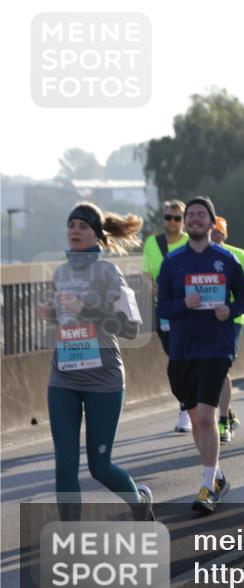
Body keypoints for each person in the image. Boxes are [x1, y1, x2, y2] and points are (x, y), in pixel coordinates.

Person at [40, 202, 154, 522]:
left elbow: (131, 327)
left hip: (103, 378)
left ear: (96, 235)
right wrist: (51, 315)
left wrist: (86, 309)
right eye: (71, 224)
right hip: (63, 375)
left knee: (99, 467)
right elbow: (66, 318)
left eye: (82, 226)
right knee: (64, 463)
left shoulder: (109, 272)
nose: (74, 230)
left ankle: (138, 501)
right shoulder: (60, 273)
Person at [157, 196, 244, 514]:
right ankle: (218, 475)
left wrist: (231, 308)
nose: (195, 219)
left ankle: (207, 488)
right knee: (198, 419)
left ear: (211, 223)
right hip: (182, 351)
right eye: (190, 215)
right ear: (185, 223)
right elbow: (162, 308)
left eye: (201, 214)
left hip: (216, 348)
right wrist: (184, 304)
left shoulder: (226, 260)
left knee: (207, 417)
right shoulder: (173, 262)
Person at [209, 216, 244, 443]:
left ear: (225, 234)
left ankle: (223, 419)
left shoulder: (235, 254)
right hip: (205, 319)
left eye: (220, 232)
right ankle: (227, 411)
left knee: (221, 367)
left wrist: (243, 299)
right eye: (213, 231)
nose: (216, 235)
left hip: (232, 319)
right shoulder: (198, 255)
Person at [142, 199, 191, 433]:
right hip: (163, 309)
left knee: (185, 356)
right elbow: (145, 272)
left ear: (183, 220)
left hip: (190, 309)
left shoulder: (190, 243)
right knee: (174, 355)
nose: (172, 222)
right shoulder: (153, 243)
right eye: (168, 218)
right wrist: (152, 286)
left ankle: (187, 408)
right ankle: (189, 402)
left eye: (177, 218)